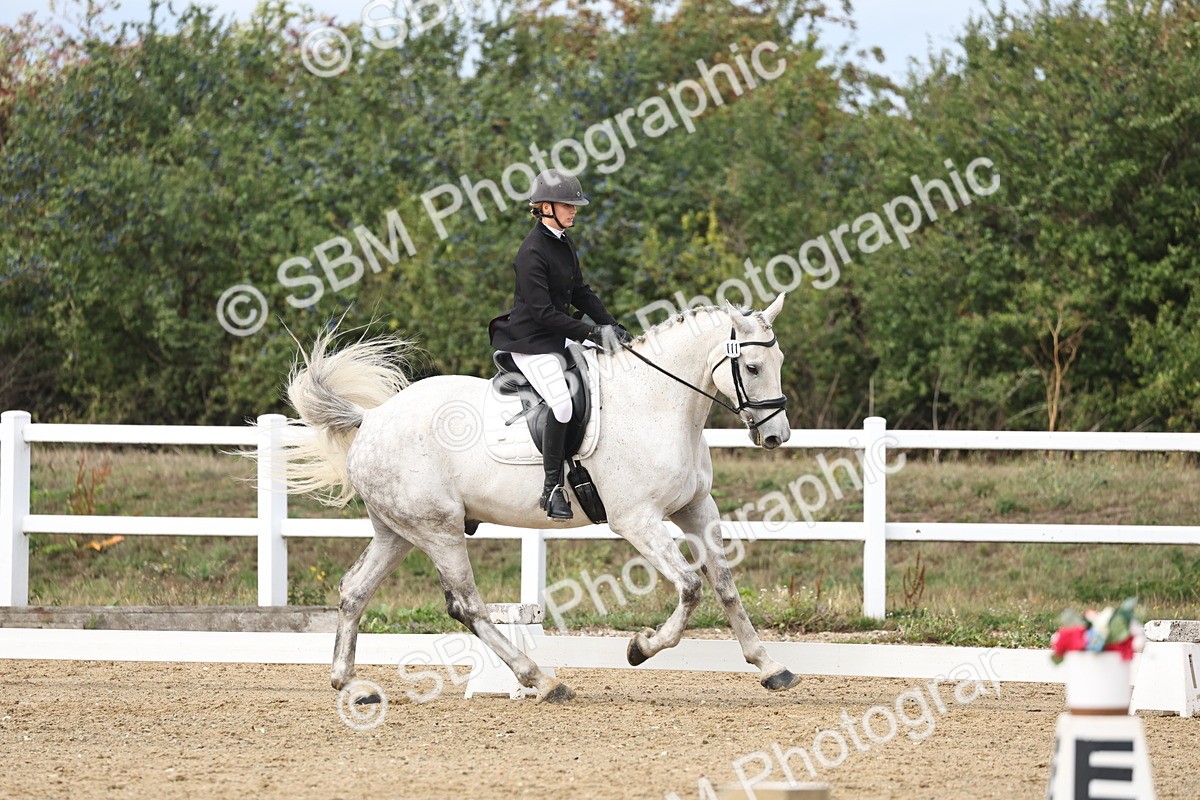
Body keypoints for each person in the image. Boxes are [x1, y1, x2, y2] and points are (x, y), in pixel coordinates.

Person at [489, 169, 630, 520]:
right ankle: (552, 488)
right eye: (567, 205)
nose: (574, 210)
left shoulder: (563, 241)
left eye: (574, 205)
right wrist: (591, 334)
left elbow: (581, 291)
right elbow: (543, 313)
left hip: (557, 335)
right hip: (531, 341)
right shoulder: (531, 252)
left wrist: (611, 325)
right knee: (563, 405)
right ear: (545, 207)